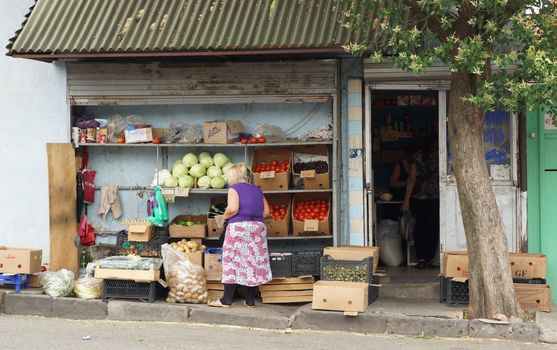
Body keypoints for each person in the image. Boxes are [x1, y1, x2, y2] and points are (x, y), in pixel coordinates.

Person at [208, 163, 272, 308]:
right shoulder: (257, 190)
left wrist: (224, 217)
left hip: (238, 228)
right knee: (253, 262)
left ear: (232, 176)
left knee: (232, 261)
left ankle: (226, 300)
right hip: (257, 228)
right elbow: (266, 212)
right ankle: (250, 300)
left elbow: (232, 208)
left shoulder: (234, 189)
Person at [402, 139, 439, 268]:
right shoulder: (439, 157)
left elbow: (411, 180)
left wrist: (406, 201)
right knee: (432, 228)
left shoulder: (417, 161)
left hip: (420, 198)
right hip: (436, 198)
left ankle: (422, 258)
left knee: (420, 229)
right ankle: (430, 258)